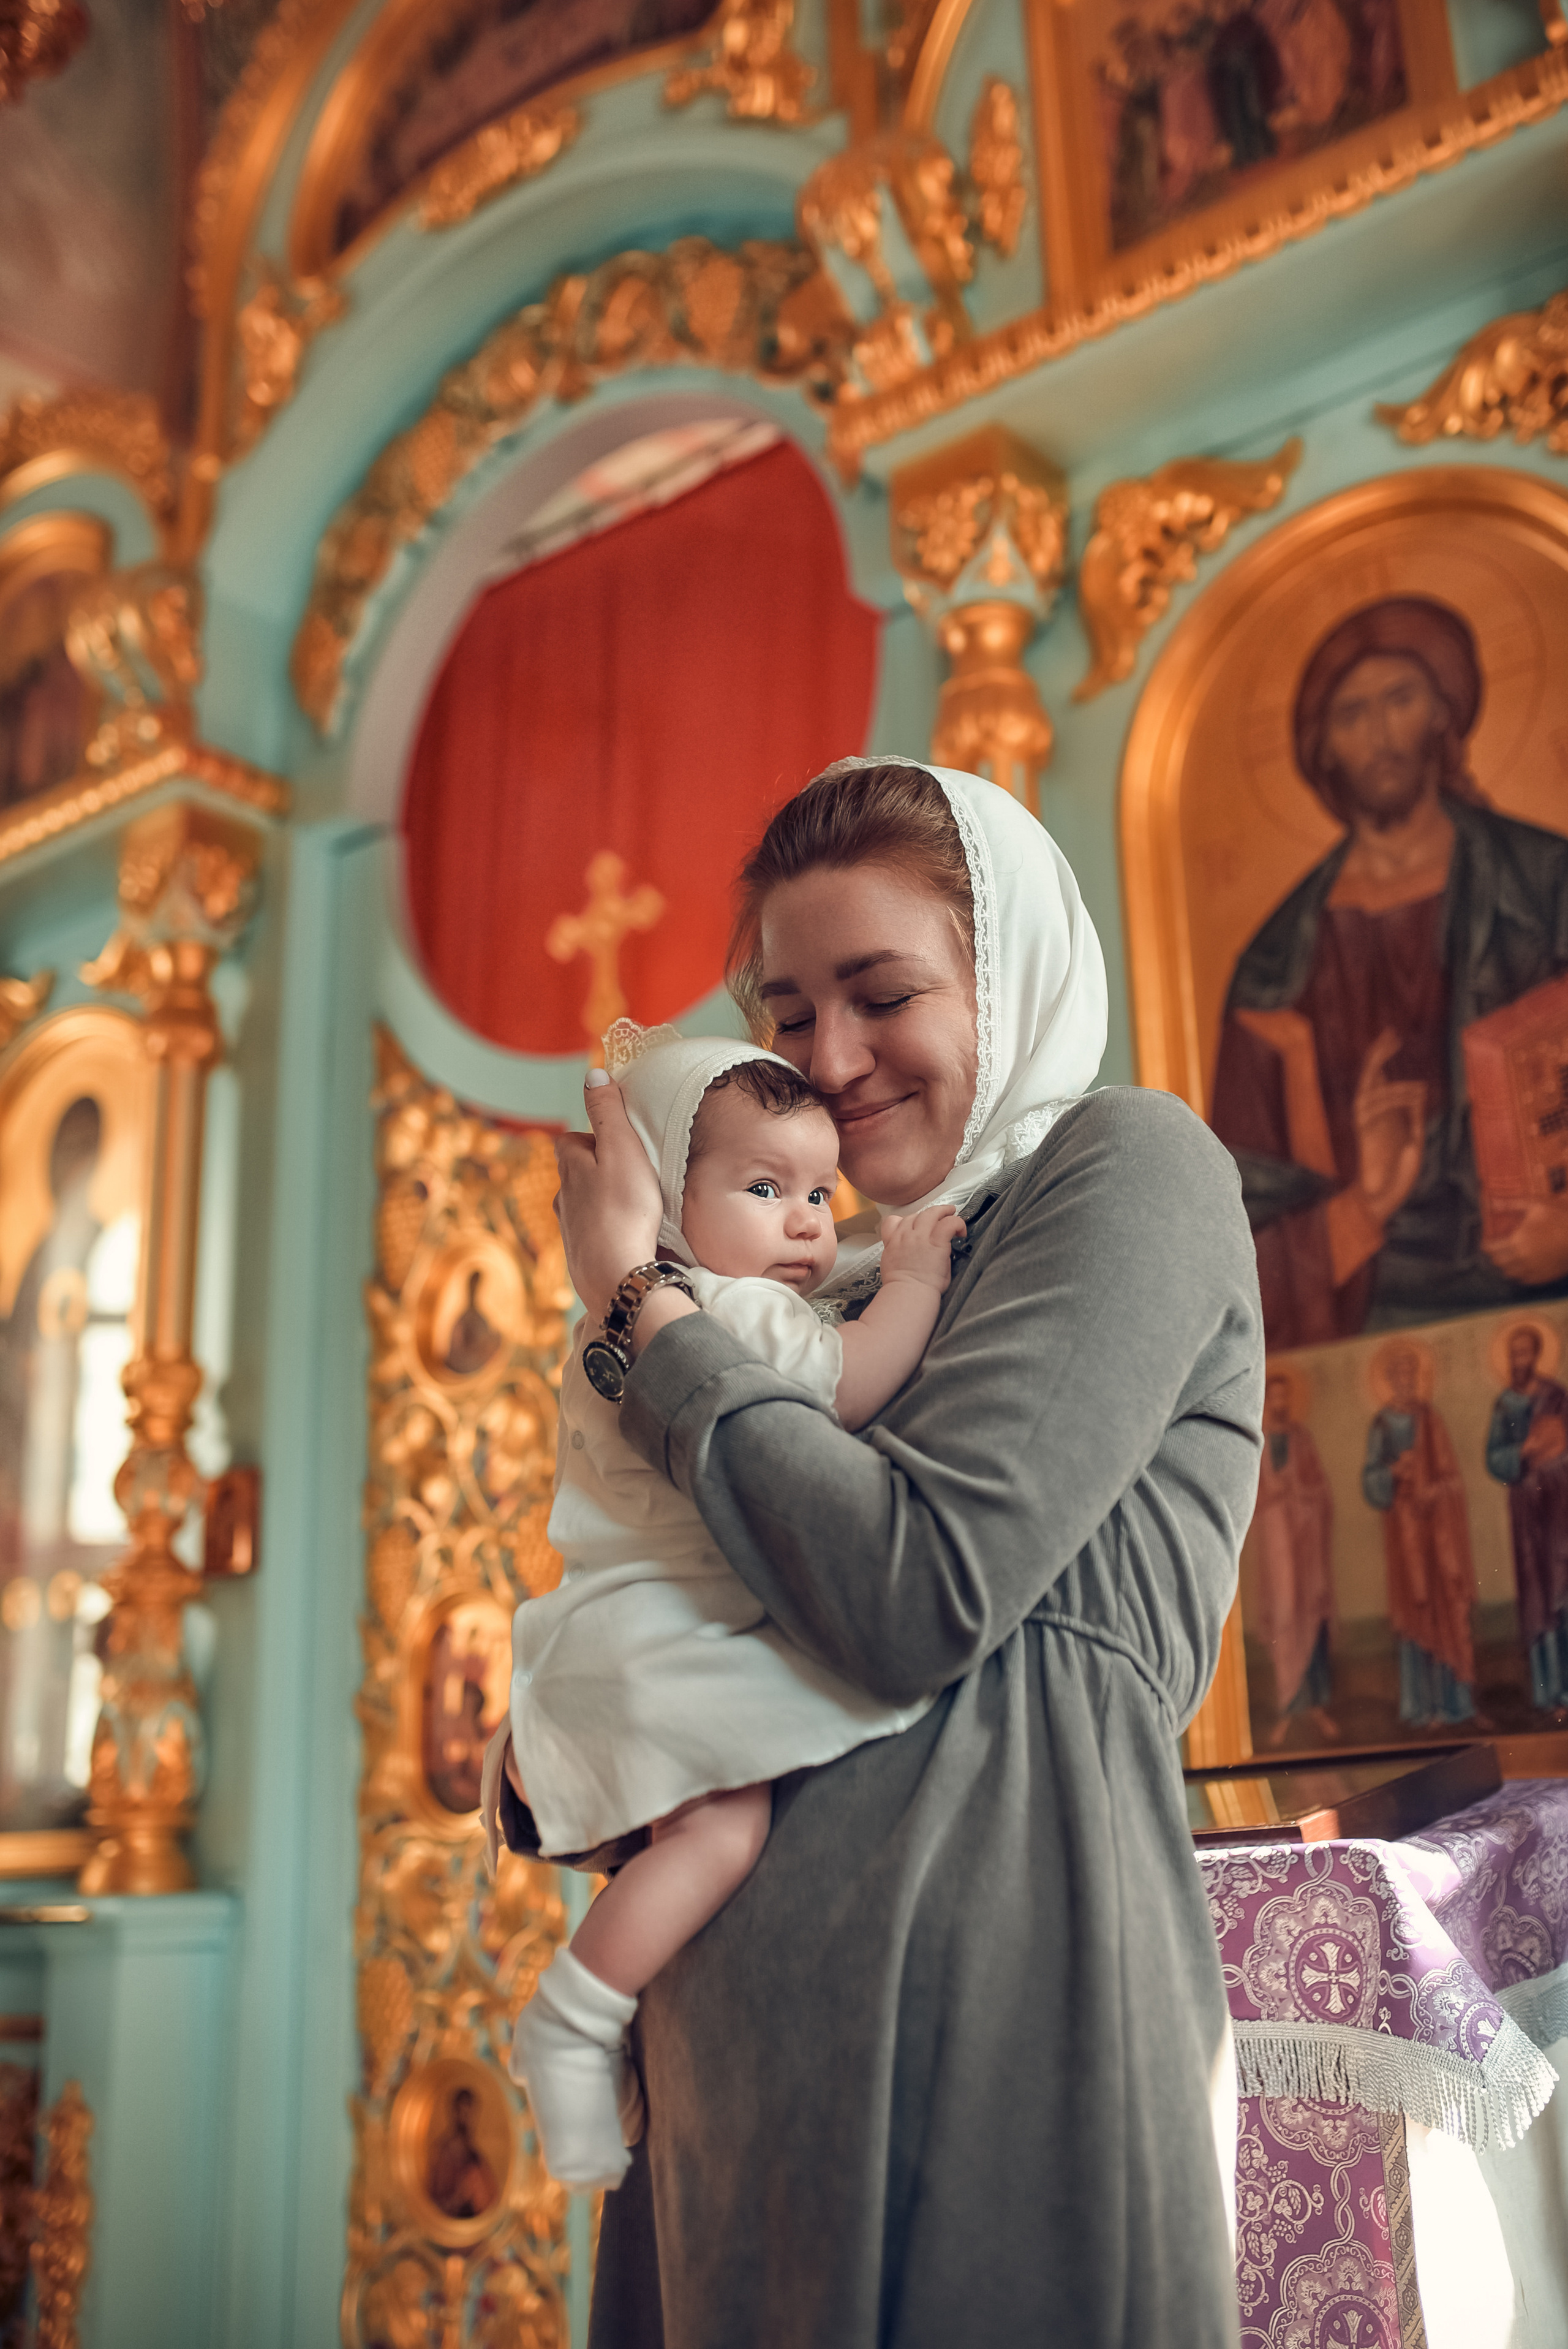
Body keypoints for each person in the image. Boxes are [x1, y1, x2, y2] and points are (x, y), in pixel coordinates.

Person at [502, 758, 1263, 2349]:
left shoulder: (1127, 1169)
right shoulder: (804, 1283)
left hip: (1000, 1999)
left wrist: (639, 1303)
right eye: (787, 1015)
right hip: (727, 2076)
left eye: (883, 994)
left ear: (1007, 977)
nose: (830, 1060)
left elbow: (922, 1591)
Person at [493, 1029, 963, 2192]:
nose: (807, 1222)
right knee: (723, 1834)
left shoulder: (652, 1313)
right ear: (664, 1199)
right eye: (764, 1189)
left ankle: (613, 2032)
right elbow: (851, 1382)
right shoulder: (720, 1316)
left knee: (689, 1843)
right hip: (663, 1633)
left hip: (626, 1622)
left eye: (821, 1192)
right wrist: (913, 1281)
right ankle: (573, 2016)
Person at [1212, 595, 1568, 1353]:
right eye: (1351, 714)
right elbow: (1246, 1207)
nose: (1378, 734)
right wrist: (1362, 1209)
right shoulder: (1274, 964)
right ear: (1323, 748)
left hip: (1541, 1280)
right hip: (1368, 1315)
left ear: (1442, 713)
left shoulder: (1545, 887)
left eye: (1399, 699)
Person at [1360, 1341, 1477, 1728]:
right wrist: (1393, 1473)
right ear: (1390, 1380)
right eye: (1399, 1375)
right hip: (1403, 1534)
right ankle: (1420, 1707)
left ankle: (1454, 1705)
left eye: (1412, 1374)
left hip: (1437, 1532)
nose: (1406, 1380)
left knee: (1445, 1607)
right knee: (1415, 1610)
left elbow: (1451, 1478)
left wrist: (1434, 1491)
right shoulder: (1381, 1425)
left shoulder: (1431, 1419)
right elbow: (1371, 1481)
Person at [1485, 1322, 1568, 1716]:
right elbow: (1494, 1457)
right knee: (1537, 1594)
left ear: (1536, 1355)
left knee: (1564, 1589)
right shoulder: (1504, 1405)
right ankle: (1546, 1692)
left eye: (1526, 1352)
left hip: (1562, 1505)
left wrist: (1554, 1453)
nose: (1520, 1360)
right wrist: (1522, 1451)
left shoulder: (1557, 1396)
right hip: (1527, 1512)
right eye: (1514, 1353)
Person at [1252, 1369, 1335, 1743]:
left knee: (1311, 1615)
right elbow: (1251, 1500)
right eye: (1274, 1397)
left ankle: (1317, 1707)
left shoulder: (1302, 1439)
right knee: (1284, 1619)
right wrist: (1275, 1495)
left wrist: (1300, 1492)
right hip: (1275, 1549)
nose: (1281, 1403)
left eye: (1285, 1396)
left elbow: (1321, 1490)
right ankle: (1287, 1708)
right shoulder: (1257, 1443)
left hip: (1305, 1546)